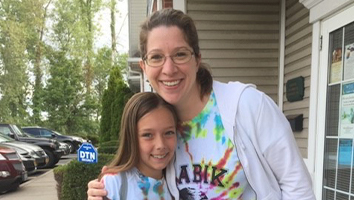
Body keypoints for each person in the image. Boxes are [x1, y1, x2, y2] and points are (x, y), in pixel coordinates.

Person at [88, 8, 315, 200]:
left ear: (197, 59)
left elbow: (298, 187)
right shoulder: (162, 125)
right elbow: (141, 179)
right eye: (156, 57)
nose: (168, 69)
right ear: (144, 67)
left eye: (180, 54)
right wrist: (106, 187)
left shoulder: (247, 106)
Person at [97, 92, 179, 199]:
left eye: (168, 132)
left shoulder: (182, 182)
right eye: (147, 135)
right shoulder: (115, 183)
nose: (160, 145)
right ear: (131, 138)